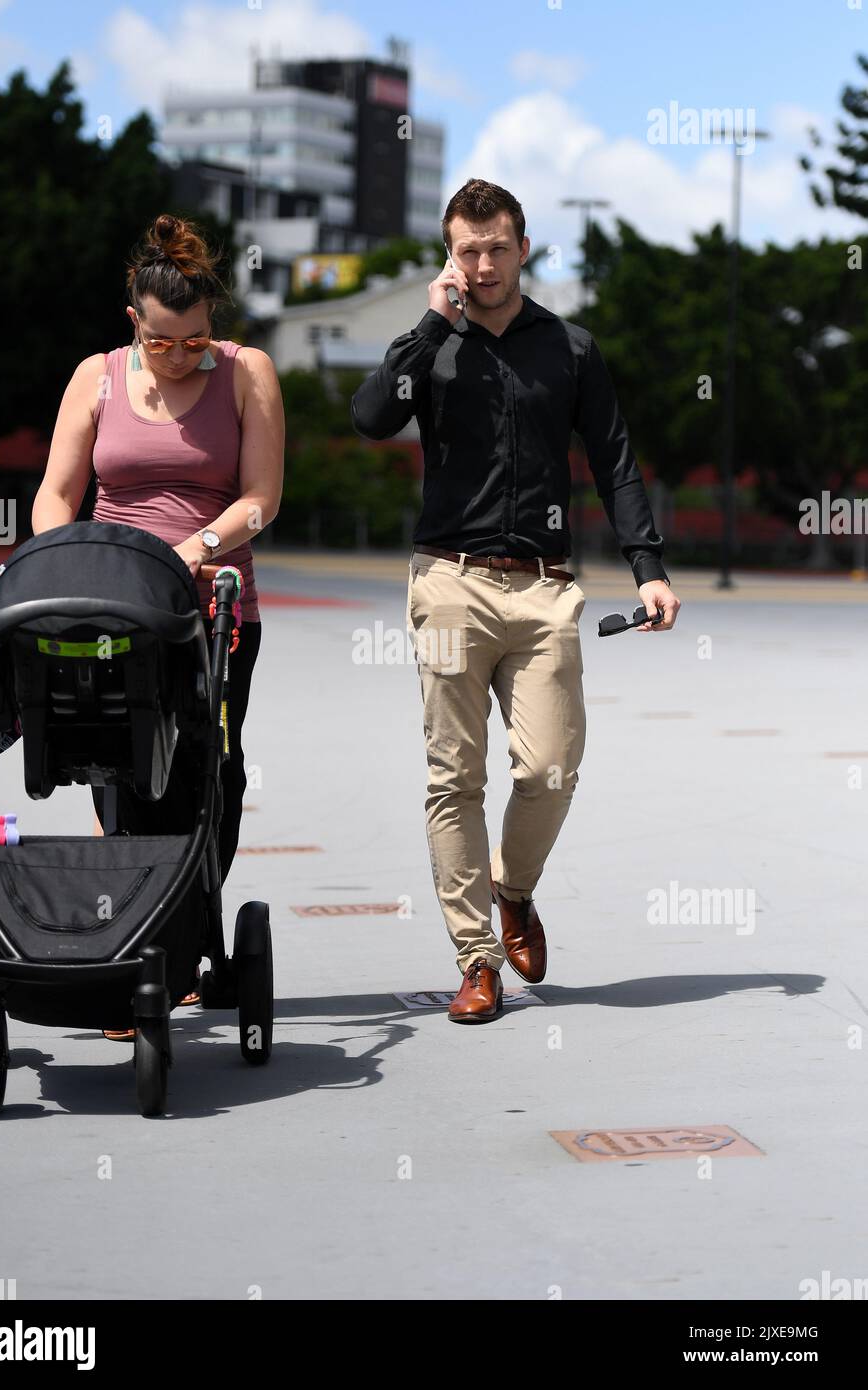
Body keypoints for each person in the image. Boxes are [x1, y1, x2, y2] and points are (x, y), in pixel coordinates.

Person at [351, 178, 681, 1024]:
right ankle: (476, 961)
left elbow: (614, 458)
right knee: (452, 778)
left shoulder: (569, 348)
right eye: (468, 250)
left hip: (543, 590)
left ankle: (515, 888)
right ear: (449, 255)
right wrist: (431, 328)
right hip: (450, 581)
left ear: (524, 247)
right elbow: (370, 419)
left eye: (498, 247)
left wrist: (648, 565)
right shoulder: (433, 345)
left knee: (550, 768)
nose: (485, 264)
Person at [31, 213, 284, 1037]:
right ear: (135, 321)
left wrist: (193, 548)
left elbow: (261, 499)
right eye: (167, 341)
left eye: (199, 339)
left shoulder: (246, 375)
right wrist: (60, 556)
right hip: (107, 602)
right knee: (114, 763)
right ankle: (136, 944)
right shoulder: (96, 377)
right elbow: (56, 493)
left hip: (211, 608)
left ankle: (178, 937)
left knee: (207, 771)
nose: (185, 356)